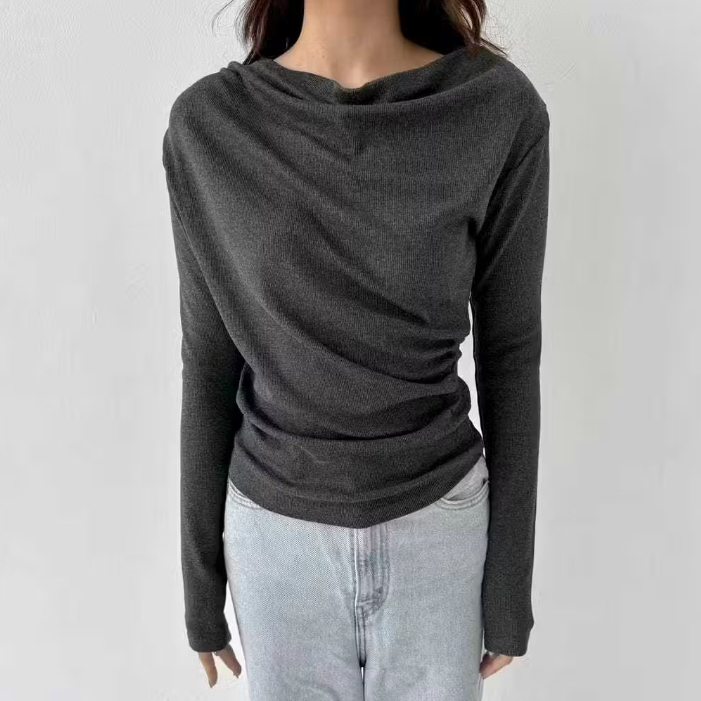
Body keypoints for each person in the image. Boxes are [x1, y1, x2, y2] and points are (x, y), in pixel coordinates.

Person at [161, 0, 550, 698]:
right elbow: (209, 359)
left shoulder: (495, 110)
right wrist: (199, 590)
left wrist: (508, 587)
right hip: (274, 540)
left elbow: (511, 352)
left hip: (440, 527)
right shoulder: (211, 127)